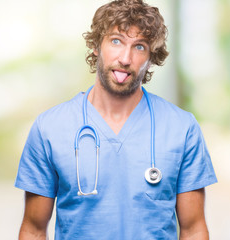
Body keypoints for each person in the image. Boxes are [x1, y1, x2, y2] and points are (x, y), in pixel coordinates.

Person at [14, 0, 217, 239]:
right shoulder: (49, 128)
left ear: (152, 58)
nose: (125, 58)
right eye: (116, 41)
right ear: (96, 46)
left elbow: (193, 230)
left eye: (140, 47)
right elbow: (33, 230)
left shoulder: (182, 128)